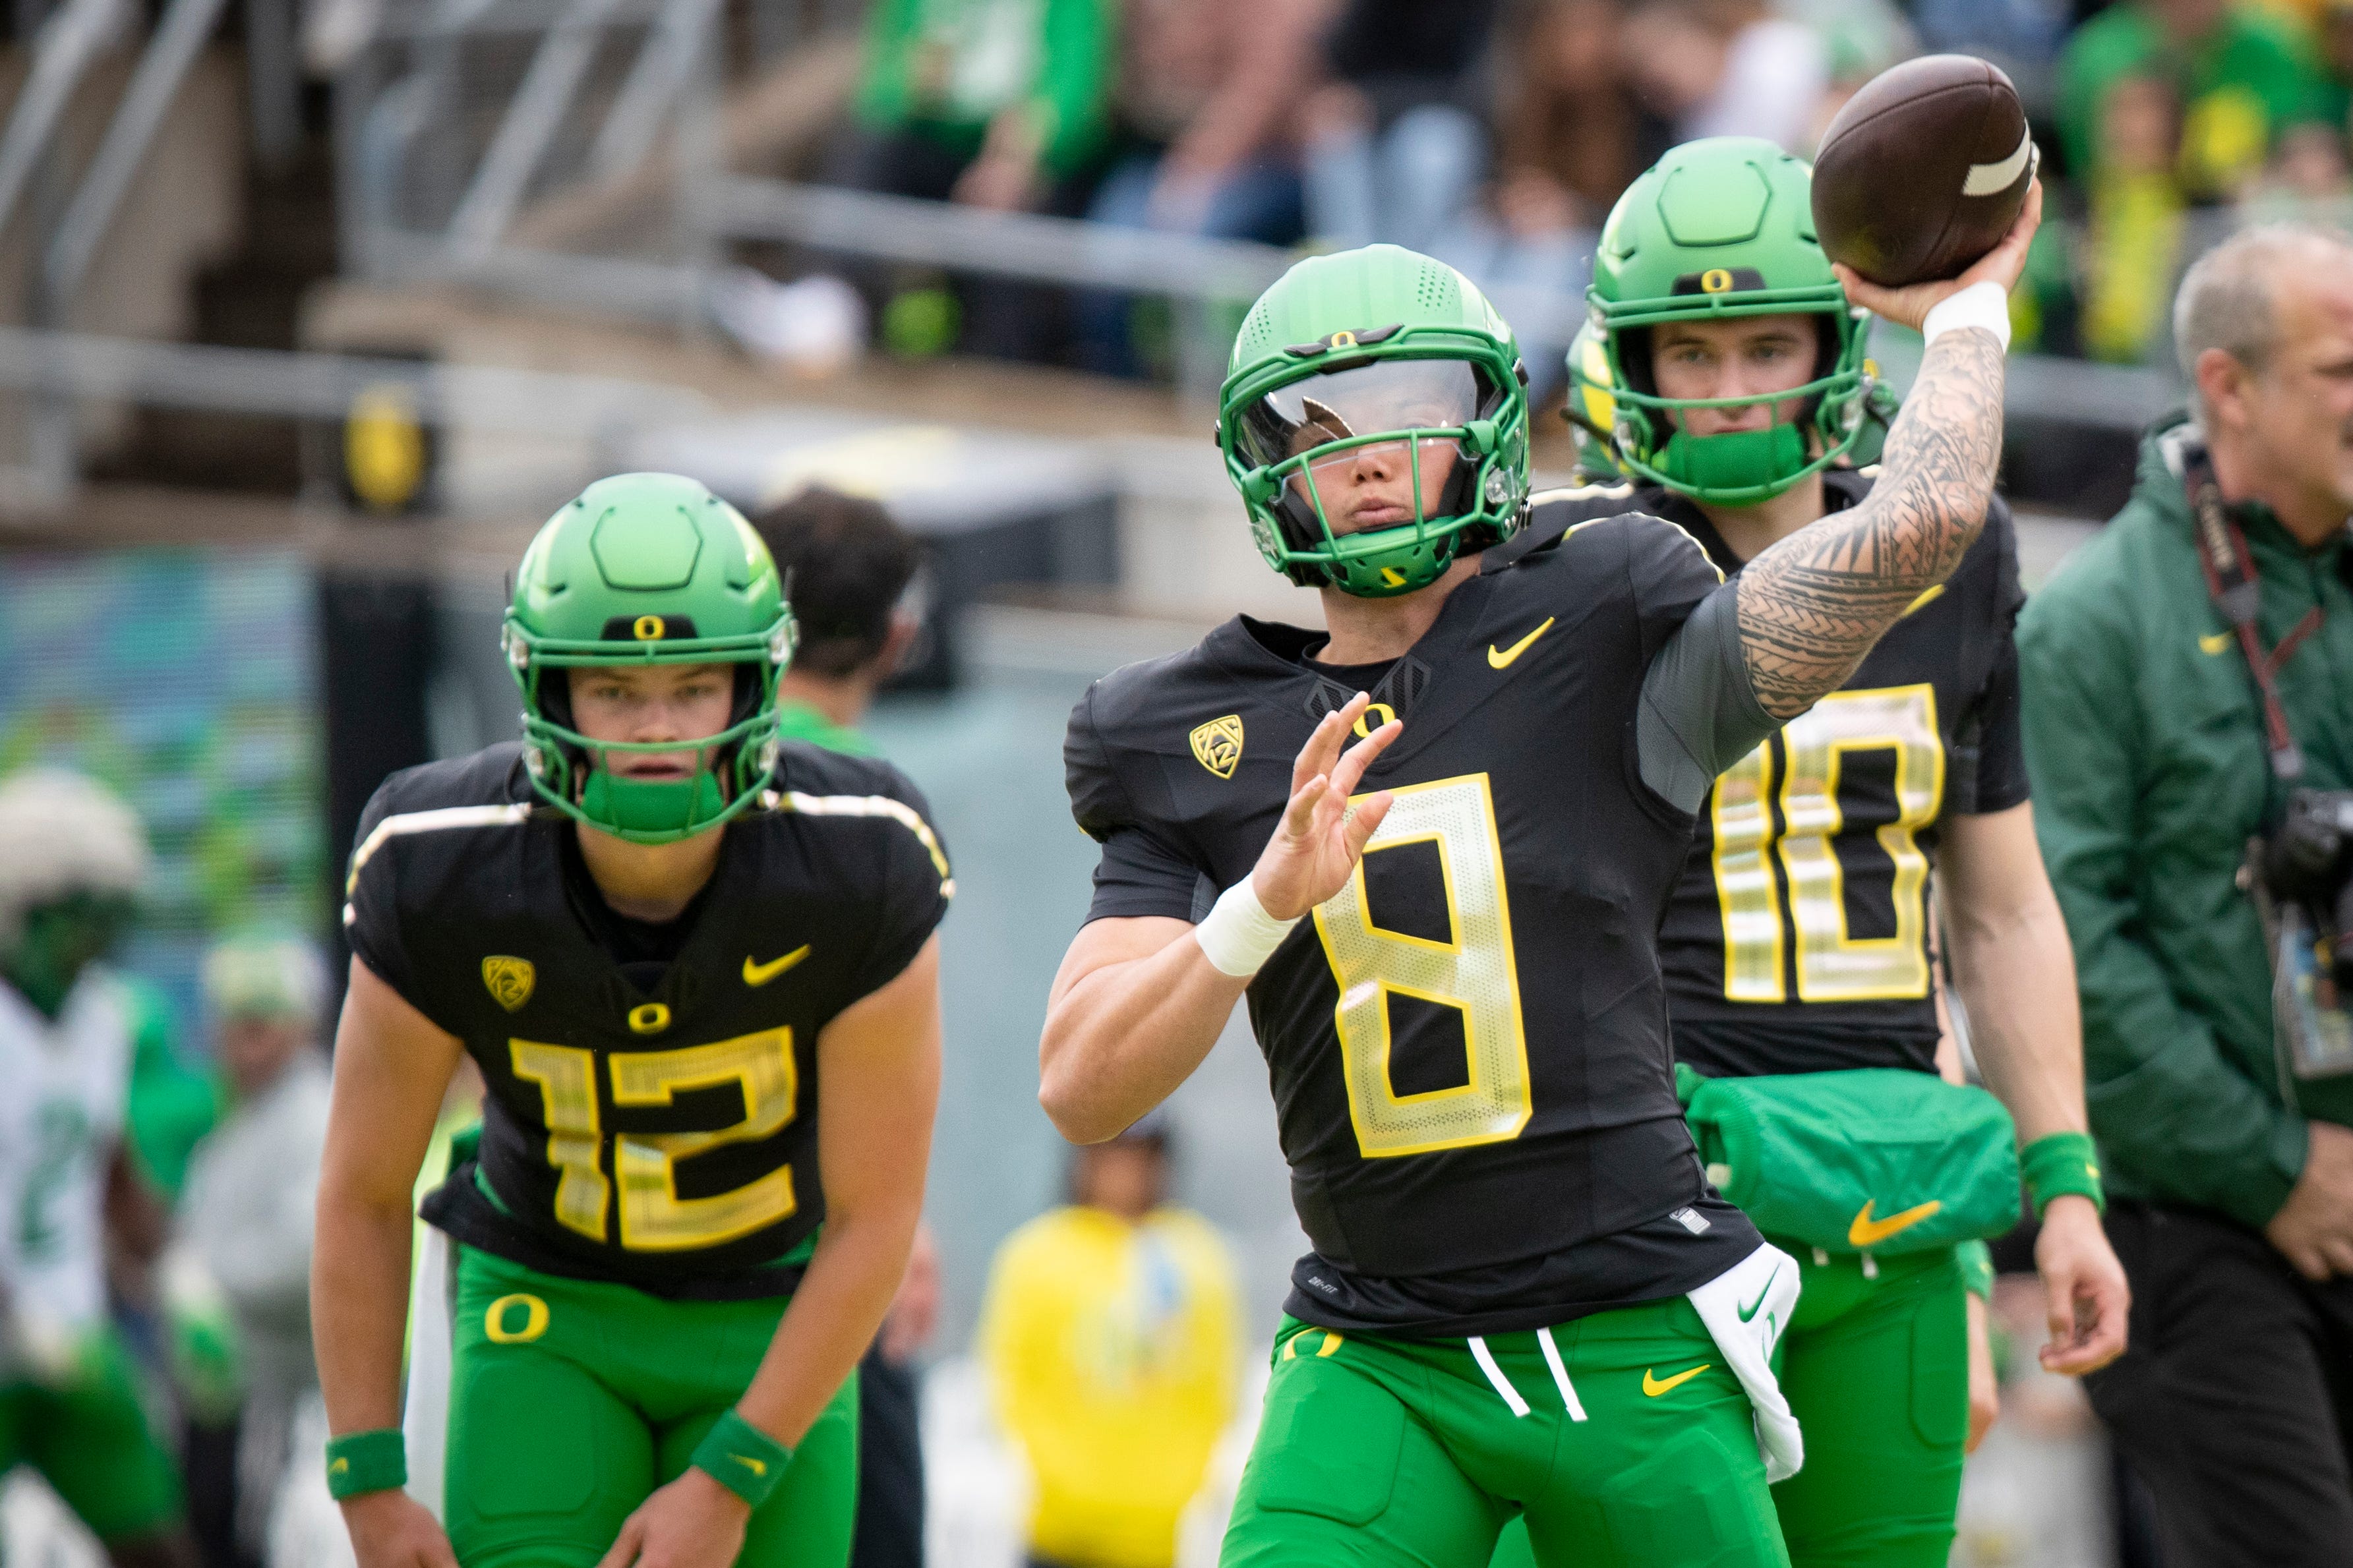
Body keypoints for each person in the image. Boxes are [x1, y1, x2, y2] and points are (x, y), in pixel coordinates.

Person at [1040, 169, 2039, 1561]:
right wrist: (1261, 904)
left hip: (1630, 1324)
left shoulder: (1605, 601)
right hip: (1374, 1346)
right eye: (1319, 424)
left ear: (1490, 432)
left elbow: (1912, 534)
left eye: (1411, 412)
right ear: (1259, 460)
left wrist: (1967, 317)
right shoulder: (1172, 726)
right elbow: (1082, 1087)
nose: (1370, 455)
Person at [1481, 135, 2129, 1568]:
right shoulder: (1574, 576)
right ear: (1624, 367)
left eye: (1764, 343)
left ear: (1836, 342)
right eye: (1689, 352)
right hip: (1649, 1211)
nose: (1727, 392)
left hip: (1888, 1202)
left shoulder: (1959, 563)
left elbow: (1998, 910)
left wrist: (2049, 1195)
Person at [311, 472, 953, 1568]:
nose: (655, 727)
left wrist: (733, 1474)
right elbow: (364, 1188)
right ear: (548, 693)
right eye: (614, 688)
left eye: (693, 685)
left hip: (770, 1314)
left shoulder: (859, 851)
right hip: (548, 1307)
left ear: (753, 683)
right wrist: (366, 1477)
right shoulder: (438, 857)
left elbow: (875, 1215)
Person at [2018, 222, 2353, 1567]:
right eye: (2338, 368)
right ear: (2225, 386)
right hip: (2185, 1214)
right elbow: (2057, 949)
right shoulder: (2092, 620)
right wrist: (2277, 1166)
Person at [750, 484, 936, 1568]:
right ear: (897, 635)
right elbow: (878, 1065)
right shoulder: (870, 810)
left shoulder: (646, 775)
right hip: (819, 1257)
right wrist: (900, 1227)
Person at [0, 769, 200, 1568]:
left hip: (72, 1343)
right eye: (84, 917)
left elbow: (113, 1178)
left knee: (153, 1541)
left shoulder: (104, 1018)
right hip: (20, 1330)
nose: (100, 941)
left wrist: (183, 1277)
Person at [977, 1112, 1241, 1568]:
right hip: (1057, 1528)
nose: (1124, 1171)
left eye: (1138, 1156)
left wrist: (1182, 1483)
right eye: (1111, 1154)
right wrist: (1054, 1472)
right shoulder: (1037, 1256)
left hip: (1157, 1535)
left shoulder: (1200, 1258)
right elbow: (1009, 1378)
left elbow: (1218, 1386)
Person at [175, 933, 334, 1568]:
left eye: (260, 1025)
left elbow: (309, 1251)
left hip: (297, 1404)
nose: (243, 1044)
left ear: (301, 1025)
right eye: (231, 1025)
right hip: (229, 1401)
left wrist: (209, 1282)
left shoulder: (316, 1116)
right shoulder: (234, 1132)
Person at [2057, 0, 2326, 202]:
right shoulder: (2102, 52)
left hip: (2254, 210)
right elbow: (2089, 174)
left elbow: (2306, 146)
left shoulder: (2273, 44)